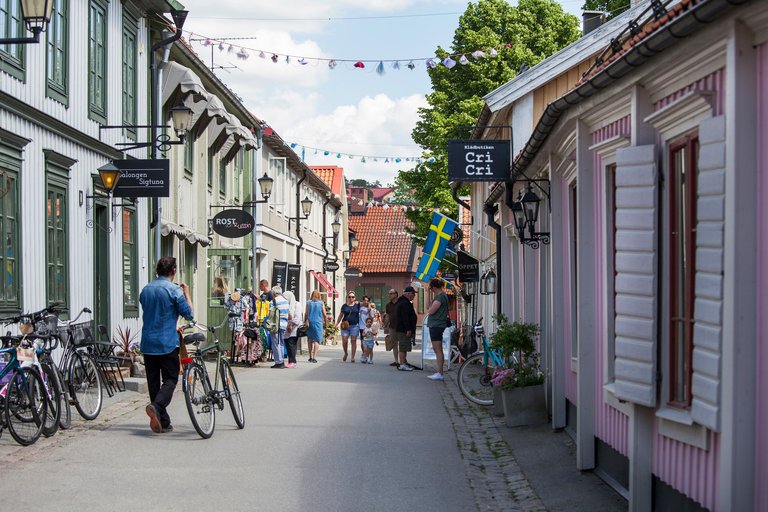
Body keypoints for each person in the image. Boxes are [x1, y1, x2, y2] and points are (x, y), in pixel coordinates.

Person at [139, 257, 193, 434]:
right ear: (174, 271)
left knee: (154, 382)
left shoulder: (146, 289)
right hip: (167, 342)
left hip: (148, 342)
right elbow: (189, 314)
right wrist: (187, 294)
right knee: (170, 379)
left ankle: (163, 420)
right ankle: (156, 406)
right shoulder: (174, 290)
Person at [425, 278, 450, 381]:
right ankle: (439, 372)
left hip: (437, 325)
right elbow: (427, 306)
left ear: (434, 287)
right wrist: (428, 294)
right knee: (437, 349)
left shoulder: (440, 297)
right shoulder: (439, 296)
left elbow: (431, 311)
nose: (431, 290)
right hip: (436, 325)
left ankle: (440, 372)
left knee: (438, 349)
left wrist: (429, 295)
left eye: (431, 289)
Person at [394, 286, 418, 372]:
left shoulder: (404, 301)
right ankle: (402, 364)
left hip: (403, 329)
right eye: (413, 294)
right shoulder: (404, 303)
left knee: (405, 346)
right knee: (403, 347)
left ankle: (404, 362)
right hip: (403, 329)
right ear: (408, 294)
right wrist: (408, 329)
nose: (414, 295)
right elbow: (405, 317)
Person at [269, 286, 290, 368]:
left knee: (275, 343)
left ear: (273, 293)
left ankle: (279, 362)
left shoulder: (273, 301)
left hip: (275, 324)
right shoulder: (286, 301)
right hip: (284, 324)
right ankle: (282, 360)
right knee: (281, 342)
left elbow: (270, 314)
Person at [336, 292, 360, 362]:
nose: (351, 298)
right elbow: (341, 315)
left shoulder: (357, 305)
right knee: (344, 340)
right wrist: (337, 323)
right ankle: (346, 353)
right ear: (347, 297)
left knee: (353, 341)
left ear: (355, 298)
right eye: (349, 297)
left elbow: (366, 303)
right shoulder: (344, 306)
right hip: (345, 326)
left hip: (354, 325)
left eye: (352, 297)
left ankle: (352, 357)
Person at [283, 290, 303, 368]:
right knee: (287, 344)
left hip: (294, 328)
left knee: (292, 344)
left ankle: (293, 361)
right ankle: (290, 360)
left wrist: (290, 324)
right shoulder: (286, 305)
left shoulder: (297, 305)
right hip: (286, 328)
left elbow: (297, 318)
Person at [304, 290, 325, 363]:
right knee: (317, 340)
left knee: (310, 339)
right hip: (318, 322)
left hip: (310, 322)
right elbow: (324, 314)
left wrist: (305, 321)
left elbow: (306, 313)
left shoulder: (308, 302)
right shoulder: (321, 303)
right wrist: (325, 321)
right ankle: (314, 357)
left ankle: (309, 356)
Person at [383, 289, 400, 367]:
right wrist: (385, 326)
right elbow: (387, 316)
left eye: (391, 293)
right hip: (392, 327)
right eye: (389, 294)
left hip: (401, 326)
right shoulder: (388, 305)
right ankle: (396, 361)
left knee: (402, 344)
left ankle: (403, 360)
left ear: (396, 294)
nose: (389, 295)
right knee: (394, 344)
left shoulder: (401, 303)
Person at [358, 295, 371, 363]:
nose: (365, 302)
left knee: (368, 342)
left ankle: (367, 355)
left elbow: (371, 318)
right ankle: (364, 354)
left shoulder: (370, 309)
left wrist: (369, 311)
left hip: (368, 328)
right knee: (362, 342)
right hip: (361, 327)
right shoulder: (360, 307)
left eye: (367, 300)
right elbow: (356, 302)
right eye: (364, 300)